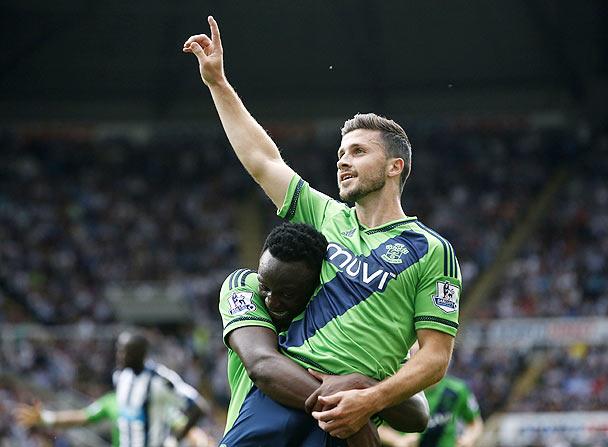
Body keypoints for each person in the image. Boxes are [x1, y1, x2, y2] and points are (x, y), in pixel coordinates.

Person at [183, 16, 462, 439]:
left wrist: (371, 401)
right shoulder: (324, 216)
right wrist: (218, 83)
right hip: (283, 393)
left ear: (394, 166)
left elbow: (434, 359)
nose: (342, 160)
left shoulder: (431, 250)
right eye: (340, 152)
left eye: (358, 151)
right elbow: (264, 162)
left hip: (349, 414)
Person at [220, 222, 429, 447]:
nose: (271, 300)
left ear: (315, 286)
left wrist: (364, 389)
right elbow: (262, 365)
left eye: (287, 293)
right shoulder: (245, 286)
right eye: (265, 286)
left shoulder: (363, 332)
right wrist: (346, 414)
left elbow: (418, 415)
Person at [15, 392, 212, 447]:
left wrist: (201, 441)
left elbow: (187, 429)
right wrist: (48, 418)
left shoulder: (157, 405)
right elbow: (83, 417)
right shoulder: (113, 401)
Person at [378, 375, 483, 447]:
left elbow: (475, 423)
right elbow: (374, 425)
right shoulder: (396, 388)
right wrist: (397, 440)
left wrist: (468, 439)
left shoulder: (457, 390)